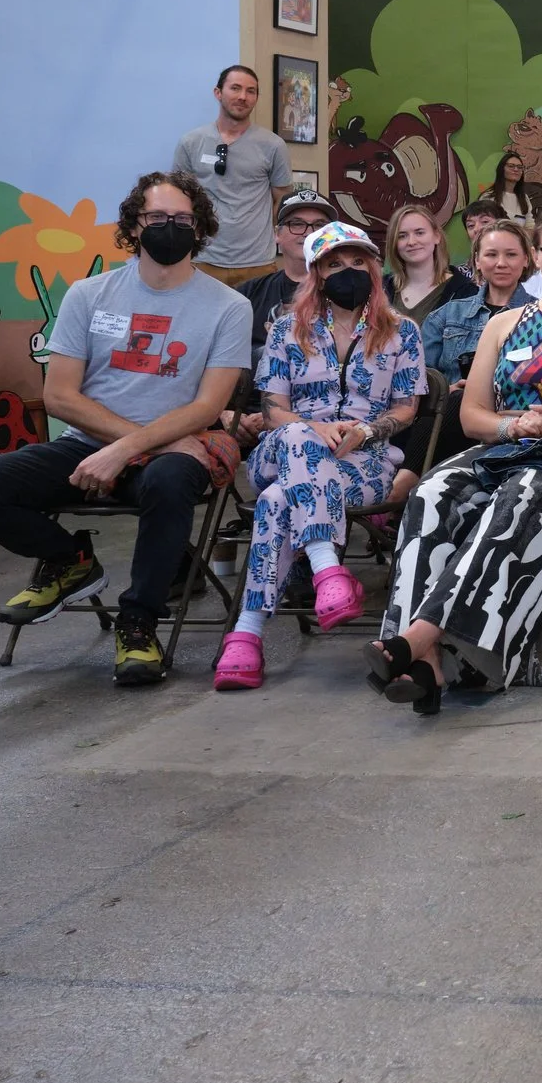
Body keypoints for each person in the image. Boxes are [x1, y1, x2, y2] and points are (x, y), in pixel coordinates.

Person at [0, 172, 250, 687]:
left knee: (171, 479)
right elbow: (61, 395)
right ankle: (70, 560)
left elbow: (208, 407)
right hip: (87, 447)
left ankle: (139, 622)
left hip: (168, 454)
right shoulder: (89, 295)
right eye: (157, 218)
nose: (170, 228)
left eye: (183, 220)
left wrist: (131, 449)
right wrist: (123, 445)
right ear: (134, 224)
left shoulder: (228, 306)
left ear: (200, 229)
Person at [368, 207, 542, 712]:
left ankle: (413, 641)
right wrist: (513, 426)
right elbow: (473, 415)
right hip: (503, 447)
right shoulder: (502, 324)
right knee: (431, 493)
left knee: (521, 498)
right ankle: (428, 665)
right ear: (536, 258)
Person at [217, 223, 425, 691]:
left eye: (357, 262)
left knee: (276, 503)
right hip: (282, 448)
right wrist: (315, 428)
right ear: (316, 273)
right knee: (298, 441)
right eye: (334, 264)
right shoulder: (289, 331)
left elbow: (407, 408)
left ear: (373, 269)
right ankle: (327, 567)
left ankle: (246, 636)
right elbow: (273, 410)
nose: (347, 271)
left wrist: (367, 429)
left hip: (364, 462)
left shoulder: (402, 332)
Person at [405, 219, 533, 475]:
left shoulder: (540, 317)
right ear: (476, 260)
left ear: (526, 260)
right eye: (491, 254)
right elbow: (419, 378)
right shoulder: (447, 315)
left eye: (511, 254)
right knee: (457, 399)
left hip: (511, 422)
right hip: (448, 421)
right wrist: (446, 388)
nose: (501, 263)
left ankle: (403, 487)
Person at [173, 65, 292, 283]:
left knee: (257, 318)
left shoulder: (273, 145)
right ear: (218, 93)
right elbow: (179, 199)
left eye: (250, 91)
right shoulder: (191, 143)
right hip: (204, 260)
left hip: (258, 263)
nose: (242, 97)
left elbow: (282, 199)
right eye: (235, 88)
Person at [235, 189, 337, 355]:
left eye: (319, 226)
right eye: (297, 224)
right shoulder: (248, 295)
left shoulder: (353, 290)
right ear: (277, 234)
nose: (309, 233)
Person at [384, 204, 476, 357]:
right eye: (402, 236)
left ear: (437, 236)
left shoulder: (465, 292)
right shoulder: (380, 289)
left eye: (419, 233)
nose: (411, 241)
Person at [485, 152, 542, 226]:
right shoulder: (488, 197)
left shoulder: (524, 198)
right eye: (511, 166)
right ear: (501, 169)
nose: (516, 169)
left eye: (520, 167)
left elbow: (530, 226)